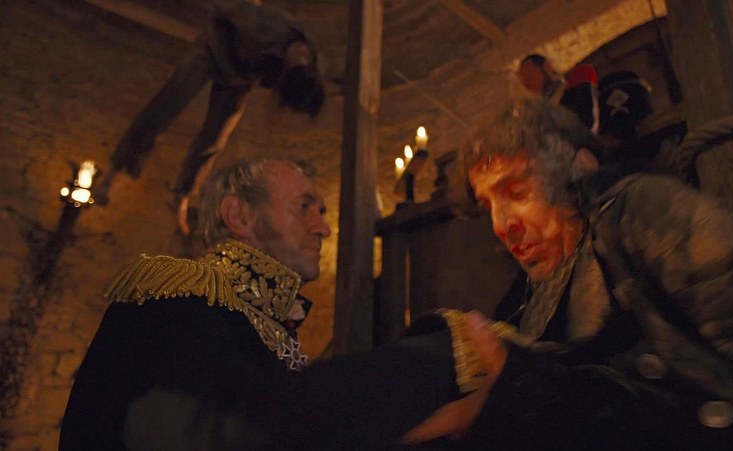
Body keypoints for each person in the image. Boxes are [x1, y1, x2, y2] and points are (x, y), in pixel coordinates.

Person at [412, 99, 733, 449]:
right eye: (488, 206)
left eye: (517, 192)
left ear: (580, 167)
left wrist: (529, 396)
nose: (502, 226)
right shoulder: (528, 294)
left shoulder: (646, 217)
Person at [60, 157, 468, 451]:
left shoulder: (265, 320)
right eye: (304, 207)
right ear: (239, 216)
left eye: (322, 212)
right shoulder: (180, 295)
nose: (323, 228)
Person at [96, 0, 325, 235]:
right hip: (213, 50)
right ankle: (117, 169)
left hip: (239, 77)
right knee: (167, 104)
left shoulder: (309, 62)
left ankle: (182, 195)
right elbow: (227, 9)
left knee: (215, 138)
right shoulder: (265, 28)